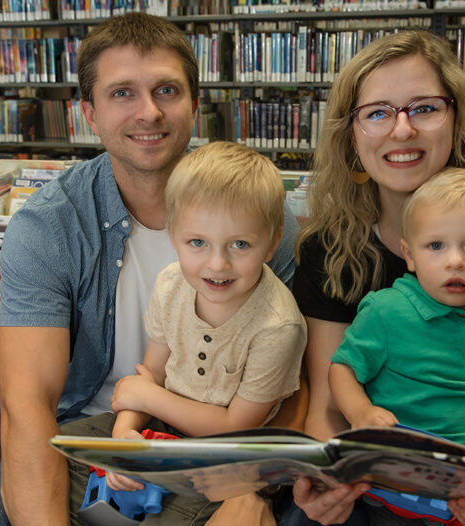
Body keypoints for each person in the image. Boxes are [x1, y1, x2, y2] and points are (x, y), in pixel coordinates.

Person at [0, 13, 299, 526]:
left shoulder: (262, 219)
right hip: (97, 423)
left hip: (225, 437)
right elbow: (28, 403)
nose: (149, 112)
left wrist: (252, 490)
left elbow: (290, 376)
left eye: (167, 90)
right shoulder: (47, 228)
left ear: (195, 104)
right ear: (88, 111)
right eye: (122, 93)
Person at [288, 29, 465, 526]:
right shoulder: (326, 249)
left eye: (424, 108)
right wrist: (326, 486)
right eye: (377, 112)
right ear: (351, 136)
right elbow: (329, 405)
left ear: (457, 120)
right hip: (372, 486)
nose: (402, 131)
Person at [66, 141, 307, 523]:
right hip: (160, 426)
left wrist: (148, 398)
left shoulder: (279, 326)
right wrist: (125, 438)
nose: (217, 263)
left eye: (240, 244)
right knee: (55, 457)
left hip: (229, 454)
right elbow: (152, 373)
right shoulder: (170, 284)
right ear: (174, 235)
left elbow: (235, 426)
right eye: (197, 242)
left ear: (272, 243)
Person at [328, 167, 465, 523]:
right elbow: (342, 368)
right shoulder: (386, 310)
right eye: (435, 246)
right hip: (389, 489)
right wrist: (360, 412)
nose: (455, 261)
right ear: (409, 254)